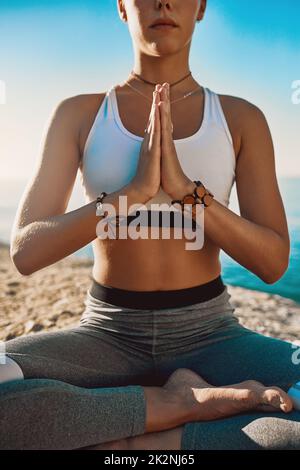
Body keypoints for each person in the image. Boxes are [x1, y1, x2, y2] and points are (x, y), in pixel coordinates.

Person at [1, 0, 299, 450]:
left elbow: (274, 262)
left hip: (212, 334)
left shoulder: (240, 117)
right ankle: (175, 405)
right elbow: (25, 251)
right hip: (106, 334)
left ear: (200, 7)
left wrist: (187, 193)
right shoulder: (80, 114)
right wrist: (128, 196)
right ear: (122, 6)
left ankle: (154, 440)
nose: (163, 3)